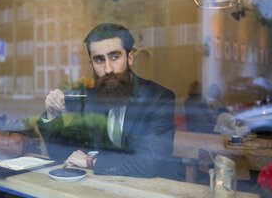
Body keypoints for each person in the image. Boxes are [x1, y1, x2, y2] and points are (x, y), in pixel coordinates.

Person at [37, 23, 177, 178]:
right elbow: (60, 152)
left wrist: (91, 161)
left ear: (130, 58)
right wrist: (52, 114)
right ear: (91, 64)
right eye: (99, 60)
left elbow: (149, 164)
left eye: (115, 57)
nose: (108, 69)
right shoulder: (90, 98)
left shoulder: (159, 97)